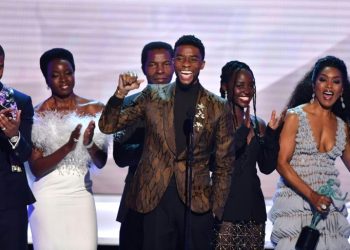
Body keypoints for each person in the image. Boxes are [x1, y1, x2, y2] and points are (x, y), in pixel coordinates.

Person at [99, 35, 235, 250]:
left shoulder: (217, 106)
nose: (186, 65)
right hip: (155, 199)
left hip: (197, 202)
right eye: (180, 58)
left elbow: (224, 163)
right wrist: (120, 94)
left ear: (202, 64)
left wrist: (217, 208)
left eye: (193, 59)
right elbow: (108, 126)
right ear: (174, 62)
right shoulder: (154, 95)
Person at [28, 48, 109, 250]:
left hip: (81, 195)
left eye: (68, 72)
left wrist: (89, 144)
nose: (63, 79)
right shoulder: (38, 114)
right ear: (46, 80)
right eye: (55, 75)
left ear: (74, 72)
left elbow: (101, 162)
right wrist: (67, 147)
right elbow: (36, 168)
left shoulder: (95, 108)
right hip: (47, 199)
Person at [268, 55, 350, 249]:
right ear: (314, 84)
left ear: (342, 88)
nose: (329, 86)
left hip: (328, 209)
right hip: (297, 204)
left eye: (336, 81)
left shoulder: (342, 126)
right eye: (323, 80)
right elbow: (281, 163)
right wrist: (312, 196)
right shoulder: (295, 116)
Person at [214, 61, 284, 249]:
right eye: (240, 85)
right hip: (224, 212)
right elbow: (217, 161)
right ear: (225, 87)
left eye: (251, 85)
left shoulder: (257, 124)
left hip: (253, 211)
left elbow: (267, 167)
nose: (247, 90)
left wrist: (271, 134)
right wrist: (241, 134)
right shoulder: (215, 123)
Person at [114, 41, 174, 250]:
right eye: (153, 65)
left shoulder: (190, 104)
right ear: (143, 68)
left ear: (174, 65)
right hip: (138, 204)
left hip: (179, 205)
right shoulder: (130, 104)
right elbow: (120, 156)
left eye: (166, 64)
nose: (160, 71)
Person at [0, 45, 35, 250]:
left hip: (9, 200)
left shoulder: (19, 101)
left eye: (0, 66)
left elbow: (26, 153)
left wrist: (14, 136)